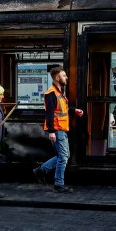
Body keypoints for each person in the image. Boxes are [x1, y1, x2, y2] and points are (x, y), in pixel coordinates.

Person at [33, 66, 83, 194]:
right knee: (63, 157)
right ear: (57, 78)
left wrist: (73, 110)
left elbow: (60, 110)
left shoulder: (59, 92)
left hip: (61, 129)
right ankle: (58, 184)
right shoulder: (51, 93)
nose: (66, 77)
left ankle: (41, 170)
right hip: (57, 130)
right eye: (64, 75)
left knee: (63, 156)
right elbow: (49, 113)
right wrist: (51, 132)